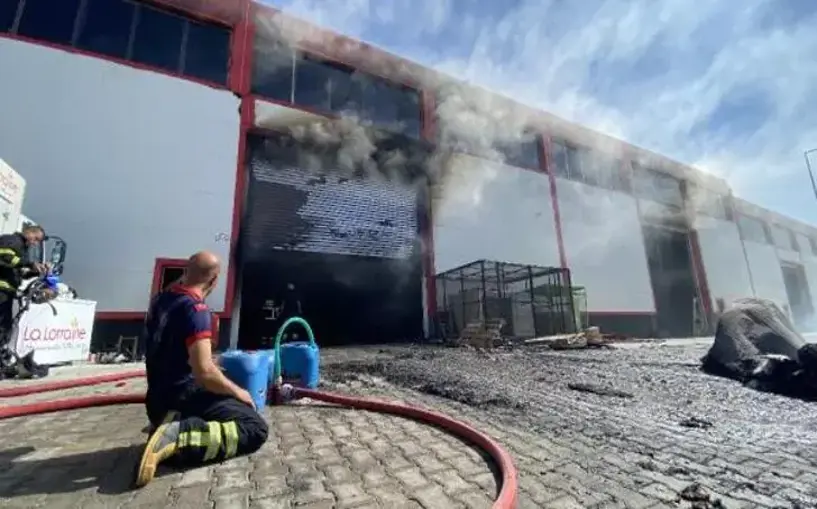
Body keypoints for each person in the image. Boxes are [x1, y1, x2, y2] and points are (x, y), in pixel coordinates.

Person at [136, 251, 268, 487]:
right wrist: (240, 393)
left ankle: (168, 424)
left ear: (185, 272)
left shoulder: (161, 300)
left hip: (156, 401)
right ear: (215, 280)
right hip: (182, 397)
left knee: (223, 390)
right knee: (254, 427)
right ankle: (178, 437)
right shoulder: (195, 311)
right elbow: (204, 373)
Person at [0, 225, 48, 361]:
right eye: (35, 239)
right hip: (1, 290)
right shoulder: (11, 240)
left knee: (5, 327)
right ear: (29, 232)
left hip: (7, 292)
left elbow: (18, 271)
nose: (35, 243)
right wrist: (29, 263)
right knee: (2, 326)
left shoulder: (23, 249)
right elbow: (5, 257)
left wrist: (35, 271)